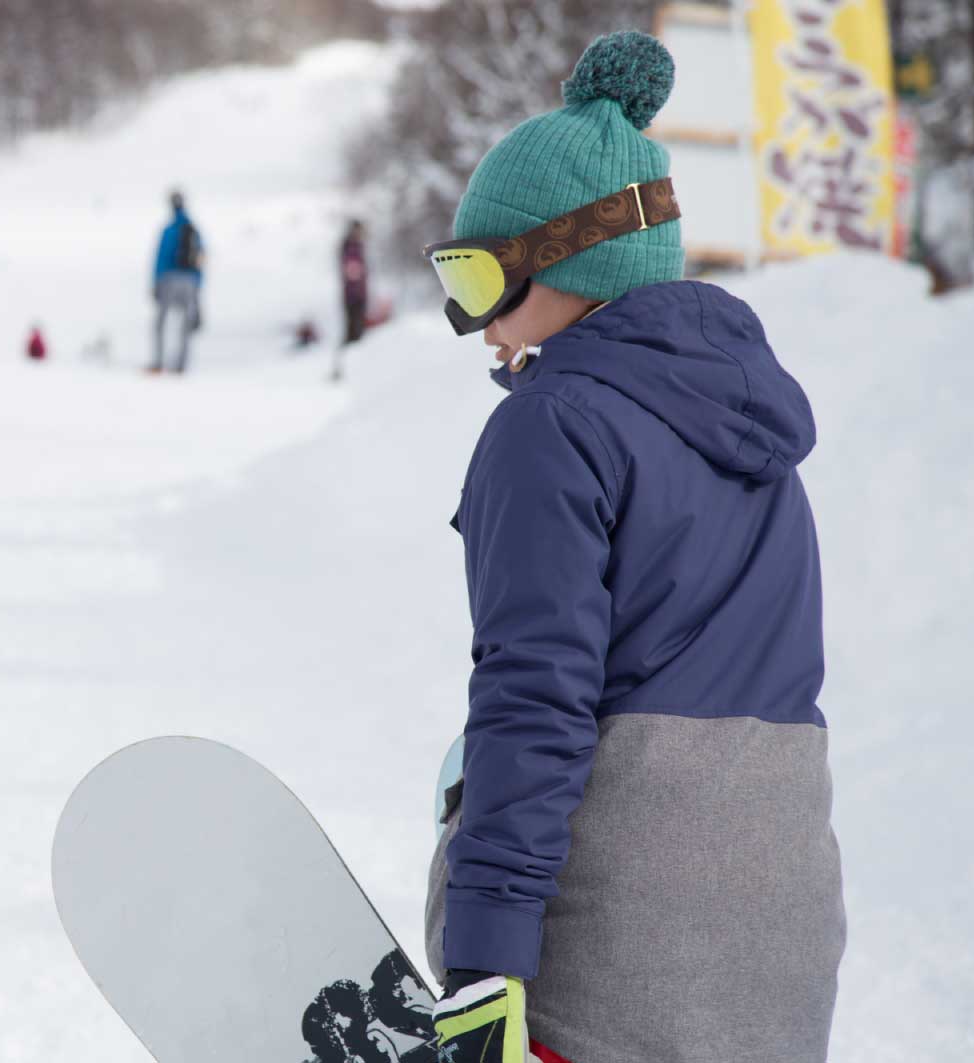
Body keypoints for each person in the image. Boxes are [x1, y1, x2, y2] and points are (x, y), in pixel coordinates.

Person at [420, 32, 844, 1063]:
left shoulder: (552, 423)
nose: (474, 325)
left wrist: (482, 958)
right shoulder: (756, 430)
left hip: (618, 953)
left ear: (567, 258)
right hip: (781, 940)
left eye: (479, 278)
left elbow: (537, 698)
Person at [150, 190, 203, 374]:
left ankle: (158, 361)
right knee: (185, 325)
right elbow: (200, 261)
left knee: (160, 322)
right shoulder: (194, 230)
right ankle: (181, 364)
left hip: (169, 279)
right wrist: (198, 288)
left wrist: (156, 282)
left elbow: (161, 257)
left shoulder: (169, 229)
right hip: (190, 282)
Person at [332, 219, 368, 382]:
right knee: (353, 333)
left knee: (354, 333)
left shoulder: (353, 246)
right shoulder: (351, 247)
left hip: (355, 295)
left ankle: (346, 369)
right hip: (354, 297)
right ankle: (343, 370)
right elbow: (353, 272)